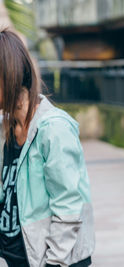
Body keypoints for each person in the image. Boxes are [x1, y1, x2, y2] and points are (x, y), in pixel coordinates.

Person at [0, 29, 94, 267]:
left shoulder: (53, 129)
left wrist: (53, 263)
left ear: (7, 76)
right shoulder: (6, 128)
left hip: (51, 261)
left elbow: (69, 207)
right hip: (17, 258)